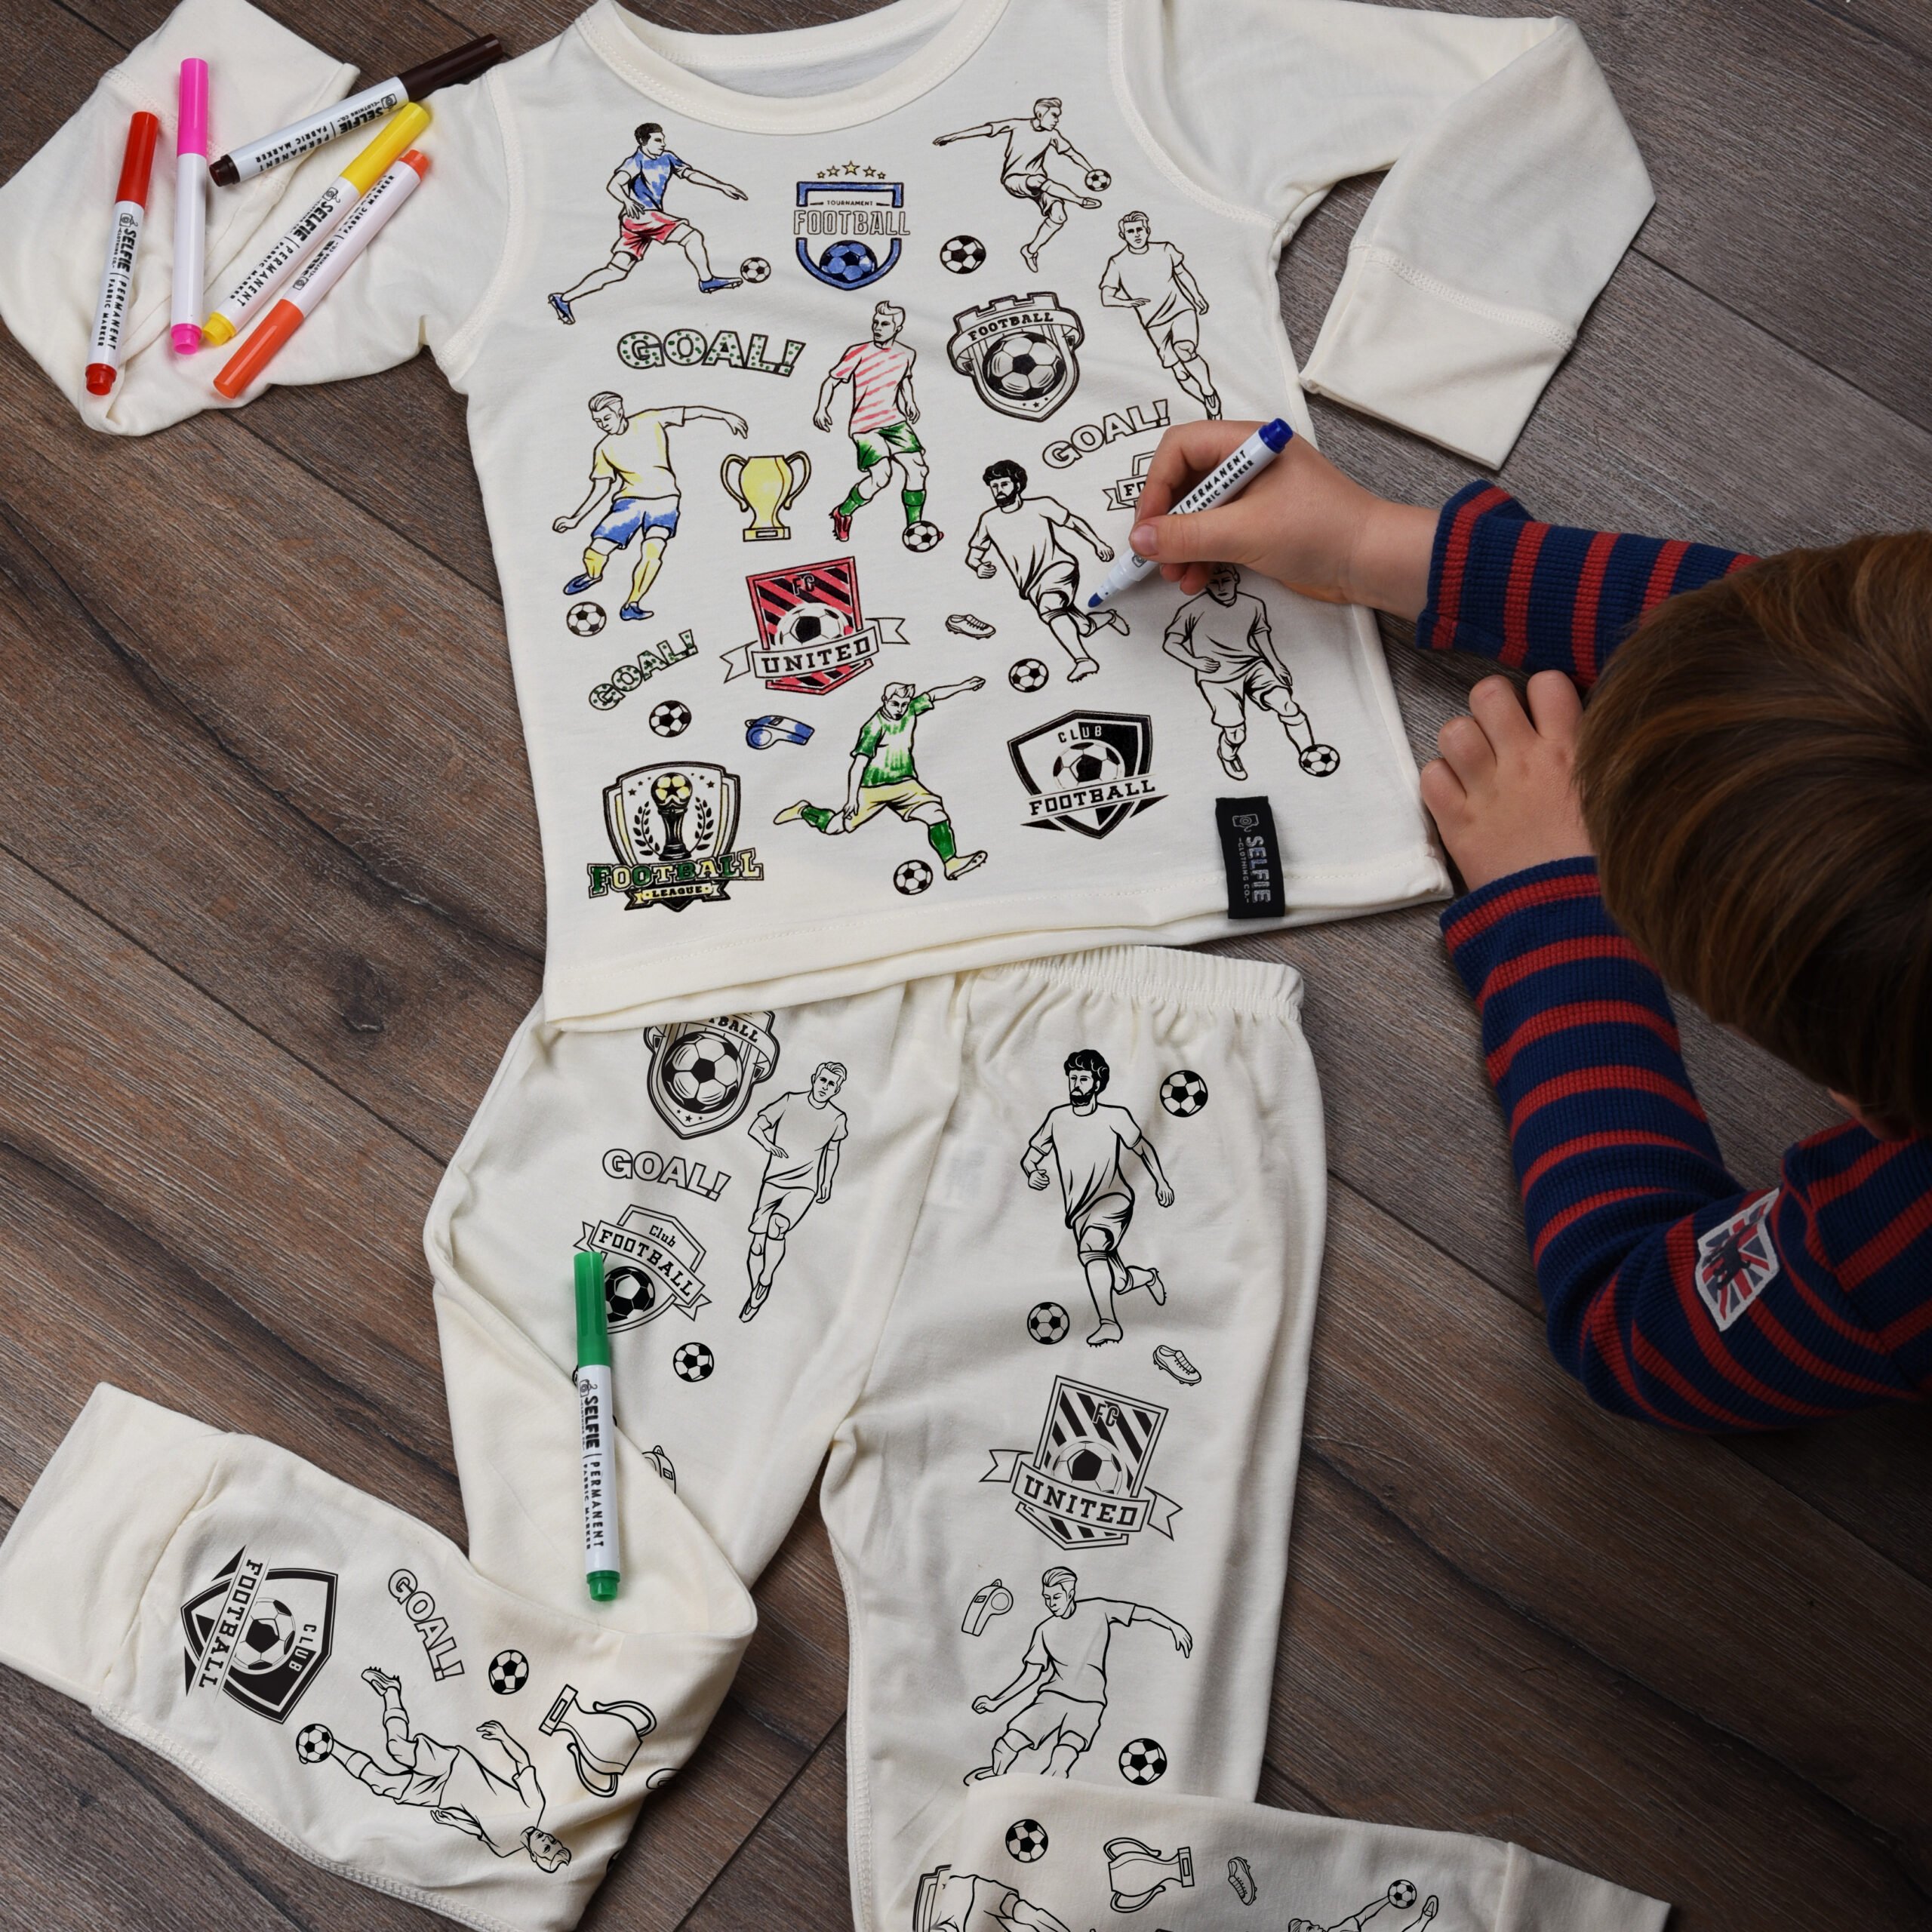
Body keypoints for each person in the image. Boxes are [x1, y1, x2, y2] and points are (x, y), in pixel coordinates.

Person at [1126, 420, 1932, 1430]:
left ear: (1865, 1102)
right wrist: (1381, 545)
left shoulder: (1900, 1257)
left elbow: (1633, 1319)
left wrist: (1556, 909)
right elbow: (1820, 639)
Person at [317, 1667, 571, 1871]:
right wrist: (503, 1737)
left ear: (535, 1857)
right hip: (456, 1766)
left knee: (383, 1785)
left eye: (545, 1849)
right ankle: (391, 1691)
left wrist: (453, 1819)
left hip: (443, 1796)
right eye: (552, 1841)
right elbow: (523, 1763)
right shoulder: (535, 1805)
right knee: (398, 1748)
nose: (546, 1840)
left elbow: (477, 1828)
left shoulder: (504, 1849)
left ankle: (332, 1748)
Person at [964, 1566, 1191, 1783]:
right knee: (1007, 1743)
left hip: (1089, 1703)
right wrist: (996, 1702)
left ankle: (1044, 1795)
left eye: (1056, 1597)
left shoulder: (1099, 1609)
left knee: (1061, 1761)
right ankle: (995, 1774)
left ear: (1070, 1594)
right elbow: (1030, 1675)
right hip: (1051, 1697)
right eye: (1047, 1598)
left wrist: (1173, 1626)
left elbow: (1140, 1612)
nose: (1051, 1603)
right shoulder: (1044, 1629)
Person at [1023, 1048, 1174, 1346]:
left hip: (1114, 1199)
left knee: (1091, 1249)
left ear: (1097, 1083)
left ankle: (1109, 1324)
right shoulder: (1057, 1118)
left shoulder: (1115, 1116)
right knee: (1117, 1281)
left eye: (1083, 1079)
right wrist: (1031, 1172)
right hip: (1079, 1212)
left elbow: (1142, 1148)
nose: (1076, 1084)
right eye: (1073, 1078)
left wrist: (1161, 1182)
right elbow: (1031, 1156)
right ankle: (1147, 1277)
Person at [552, 394, 746, 621]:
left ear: (619, 412)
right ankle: (592, 575)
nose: (603, 424)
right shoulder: (604, 448)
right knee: (596, 550)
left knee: (653, 550)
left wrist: (725, 416)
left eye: (606, 418)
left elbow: (691, 411)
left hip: (665, 500)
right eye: (598, 421)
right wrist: (575, 519)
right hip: (629, 502)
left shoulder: (650, 420)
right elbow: (601, 487)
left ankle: (632, 604)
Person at [774, 679, 987, 881]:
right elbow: (858, 765)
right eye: (895, 704)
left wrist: (963, 686)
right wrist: (852, 799)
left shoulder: (909, 710)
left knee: (936, 815)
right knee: (834, 827)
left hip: (906, 784)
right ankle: (803, 810)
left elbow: (933, 695)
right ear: (885, 700)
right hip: (873, 789)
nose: (900, 709)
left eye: (904, 704)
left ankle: (951, 862)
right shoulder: (874, 727)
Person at [548, 122, 747, 321]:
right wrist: (627, 201)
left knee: (616, 271)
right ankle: (707, 281)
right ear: (643, 142)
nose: (663, 144)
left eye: (663, 139)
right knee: (692, 237)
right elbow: (614, 185)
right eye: (658, 140)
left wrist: (722, 186)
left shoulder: (668, 157)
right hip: (643, 216)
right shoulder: (636, 161)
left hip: (636, 222)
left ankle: (564, 299)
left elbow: (690, 174)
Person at [1162, 561, 1334, 779]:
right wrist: (1195, 662)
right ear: (1206, 585)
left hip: (1252, 666)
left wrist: (1275, 664)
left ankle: (1307, 753)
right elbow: (1171, 643)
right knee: (1236, 734)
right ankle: (1228, 755)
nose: (1221, 588)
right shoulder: (1191, 610)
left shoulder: (1253, 604)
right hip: (1217, 678)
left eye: (1226, 581)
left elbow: (1260, 635)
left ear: (1236, 579)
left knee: (1287, 705)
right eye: (1214, 583)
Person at [968, 460, 1126, 679]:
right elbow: (974, 555)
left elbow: (1073, 522)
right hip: (1030, 585)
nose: (998, 490)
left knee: (1050, 607)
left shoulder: (1041, 505)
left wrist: (1098, 543)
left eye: (1003, 484)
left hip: (1059, 568)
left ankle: (1083, 661)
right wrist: (978, 566)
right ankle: (1108, 618)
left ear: (1017, 485)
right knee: (1082, 627)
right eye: (994, 486)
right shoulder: (988, 520)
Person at [816, 300, 936, 546]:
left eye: (885, 324)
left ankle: (914, 526)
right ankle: (843, 512)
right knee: (882, 476)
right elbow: (832, 381)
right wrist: (822, 408)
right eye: (876, 323)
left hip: (895, 421)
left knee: (918, 470)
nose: (878, 328)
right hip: (865, 425)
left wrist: (910, 402)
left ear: (898, 328)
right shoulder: (858, 352)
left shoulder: (907, 354)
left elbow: (905, 380)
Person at [933, 98, 1102, 272]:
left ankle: (1030, 251)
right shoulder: (1017, 125)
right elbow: (987, 129)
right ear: (1040, 114)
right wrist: (952, 137)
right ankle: (1080, 200)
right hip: (1015, 180)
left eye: (1058, 116)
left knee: (1059, 216)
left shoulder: (1053, 135)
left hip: (1039, 184)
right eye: (1054, 115)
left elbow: (1072, 154)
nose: (1057, 120)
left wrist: (1091, 170)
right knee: (1037, 181)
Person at [742, 1060, 850, 1322]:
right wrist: (768, 1144)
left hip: (805, 1186)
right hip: (773, 1181)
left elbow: (832, 1151)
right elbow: (756, 1127)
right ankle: (756, 1291)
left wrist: (826, 1181)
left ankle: (766, 1280)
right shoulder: (790, 1100)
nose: (825, 1086)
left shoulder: (837, 1118)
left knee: (777, 1226)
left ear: (837, 1090)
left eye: (832, 1084)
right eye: (823, 1080)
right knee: (757, 1245)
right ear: (814, 1079)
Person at [1099, 211, 1220, 414]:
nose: (1136, 234)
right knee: (1179, 371)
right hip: (1153, 322)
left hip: (1181, 309)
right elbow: (1106, 297)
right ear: (1123, 235)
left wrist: (1196, 296)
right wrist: (1128, 303)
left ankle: (1208, 391)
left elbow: (1181, 273)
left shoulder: (1165, 249)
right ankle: (1208, 407)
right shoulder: (1117, 262)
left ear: (1147, 231)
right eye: (1130, 231)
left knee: (1184, 349)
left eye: (1140, 229)